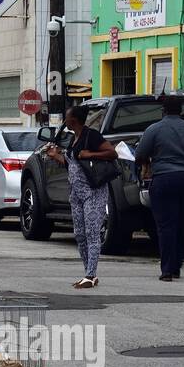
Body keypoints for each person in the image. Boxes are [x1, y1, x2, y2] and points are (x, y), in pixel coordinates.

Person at [135, 96, 184, 281]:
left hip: (163, 179)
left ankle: (167, 270)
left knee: (165, 226)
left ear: (163, 110)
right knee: (181, 224)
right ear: (181, 110)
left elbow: (140, 154)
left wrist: (149, 163)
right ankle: (176, 266)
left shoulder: (154, 129)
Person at [45, 106, 117, 289]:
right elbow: (72, 164)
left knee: (92, 233)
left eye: (67, 117)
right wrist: (55, 156)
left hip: (93, 192)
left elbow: (112, 153)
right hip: (76, 194)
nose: (65, 120)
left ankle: (90, 275)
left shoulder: (91, 136)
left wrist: (90, 153)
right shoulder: (73, 139)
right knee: (79, 234)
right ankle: (88, 273)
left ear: (74, 120)